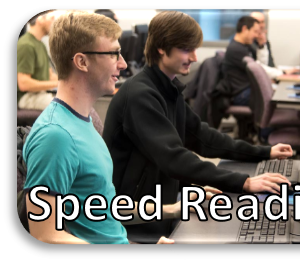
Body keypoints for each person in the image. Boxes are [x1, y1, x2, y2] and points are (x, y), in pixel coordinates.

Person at [23, 10, 219, 245]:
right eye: (114, 54)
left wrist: (175, 209)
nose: (124, 64)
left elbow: (106, 207)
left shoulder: (84, 121)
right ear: (81, 62)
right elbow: (45, 235)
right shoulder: (56, 136)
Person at [103, 10, 293, 244]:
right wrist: (243, 182)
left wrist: (263, 152)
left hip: (164, 200)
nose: (194, 57)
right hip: (140, 217)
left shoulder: (167, 87)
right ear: (162, 48)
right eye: (186, 49)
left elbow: (202, 137)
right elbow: (173, 157)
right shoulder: (141, 95)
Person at [17, 10, 59, 110]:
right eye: (51, 18)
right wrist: (59, 83)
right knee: (65, 107)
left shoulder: (40, 45)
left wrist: (68, 81)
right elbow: (23, 84)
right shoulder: (26, 45)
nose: (53, 22)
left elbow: (49, 76)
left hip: (40, 94)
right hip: (27, 97)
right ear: (40, 19)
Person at [221, 16, 261, 106]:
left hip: (247, 89)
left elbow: (260, 64)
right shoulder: (235, 49)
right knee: (271, 97)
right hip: (241, 93)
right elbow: (258, 70)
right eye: (254, 31)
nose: (256, 36)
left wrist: (261, 45)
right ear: (244, 29)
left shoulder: (247, 46)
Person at [250, 11, 299, 79]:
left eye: (262, 22)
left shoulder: (264, 41)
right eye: (258, 22)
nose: (261, 25)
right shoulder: (249, 44)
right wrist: (283, 72)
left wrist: (262, 45)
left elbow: (270, 65)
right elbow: (258, 67)